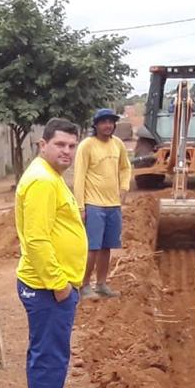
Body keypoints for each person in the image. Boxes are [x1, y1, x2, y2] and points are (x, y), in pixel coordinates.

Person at [14, 119, 88, 388]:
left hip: (51, 285)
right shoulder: (43, 181)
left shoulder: (49, 177)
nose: (67, 151)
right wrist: (60, 285)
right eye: (60, 144)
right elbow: (37, 240)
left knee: (49, 356)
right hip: (47, 288)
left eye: (72, 146)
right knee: (49, 359)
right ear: (42, 144)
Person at [74, 108, 132, 299]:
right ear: (96, 125)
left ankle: (101, 284)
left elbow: (125, 167)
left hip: (113, 205)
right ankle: (84, 285)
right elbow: (79, 176)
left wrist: (124, 188)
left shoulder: (118, 145)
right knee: (93, 247)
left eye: (111, 122)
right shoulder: (87, 146)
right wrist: (80, 207)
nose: (108, 125)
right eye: (103, 122)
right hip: (94, 204)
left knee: (107, 246)